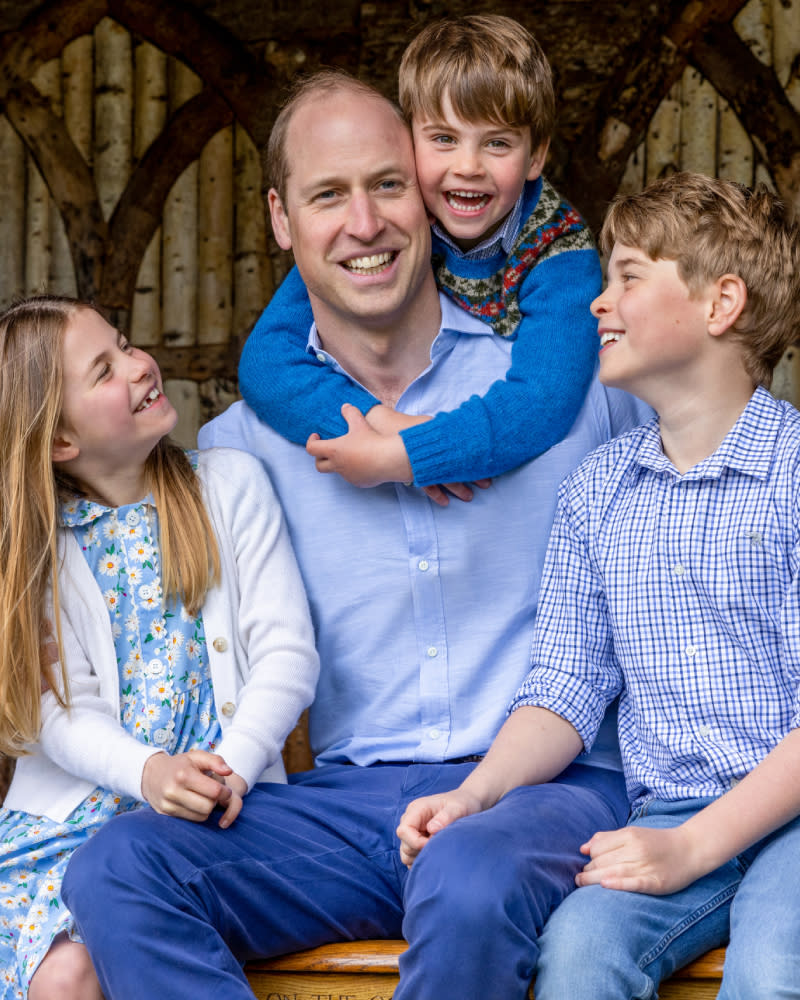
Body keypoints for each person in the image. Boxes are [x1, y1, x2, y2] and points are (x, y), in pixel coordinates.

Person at [61, 73, 648, 1000]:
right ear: (281, 219)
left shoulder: (566, 389)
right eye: (327, 195)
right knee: (120, 866)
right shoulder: (241, 450)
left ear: (425, 191)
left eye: (385, 184)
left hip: (553, 791)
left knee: (468, 874)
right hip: (347, 808)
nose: (364, 223)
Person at [397, 171, 800, 999]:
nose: (596, 302)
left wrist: (694, 849)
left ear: (721, 304)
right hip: (665, 815)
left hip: (791, 820)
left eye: (628, 276)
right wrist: (474, 793)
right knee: (577, 955)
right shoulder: (600, 489)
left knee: (770, 974)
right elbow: (568, 686)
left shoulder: (793, 472)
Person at [0, 295, 319, 1000]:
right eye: (104, 369)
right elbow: (59, 713)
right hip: (68, 824)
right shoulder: (41, 550)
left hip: (222, 813)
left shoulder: (228, 486)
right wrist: (148, 773)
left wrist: (229, 771)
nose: (140, 365)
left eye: (126, 343)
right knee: (63, 978)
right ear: (60, 442)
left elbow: (287, 656)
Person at [238, 15, 600, 498]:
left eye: (496, 143)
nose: (467, 167)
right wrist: (376, 421)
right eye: (444, 139)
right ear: (410, 142)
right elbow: (265, 362)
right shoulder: (406, 220)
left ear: (535, 158)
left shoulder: (562, 253)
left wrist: (411, 454)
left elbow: (544, 401)